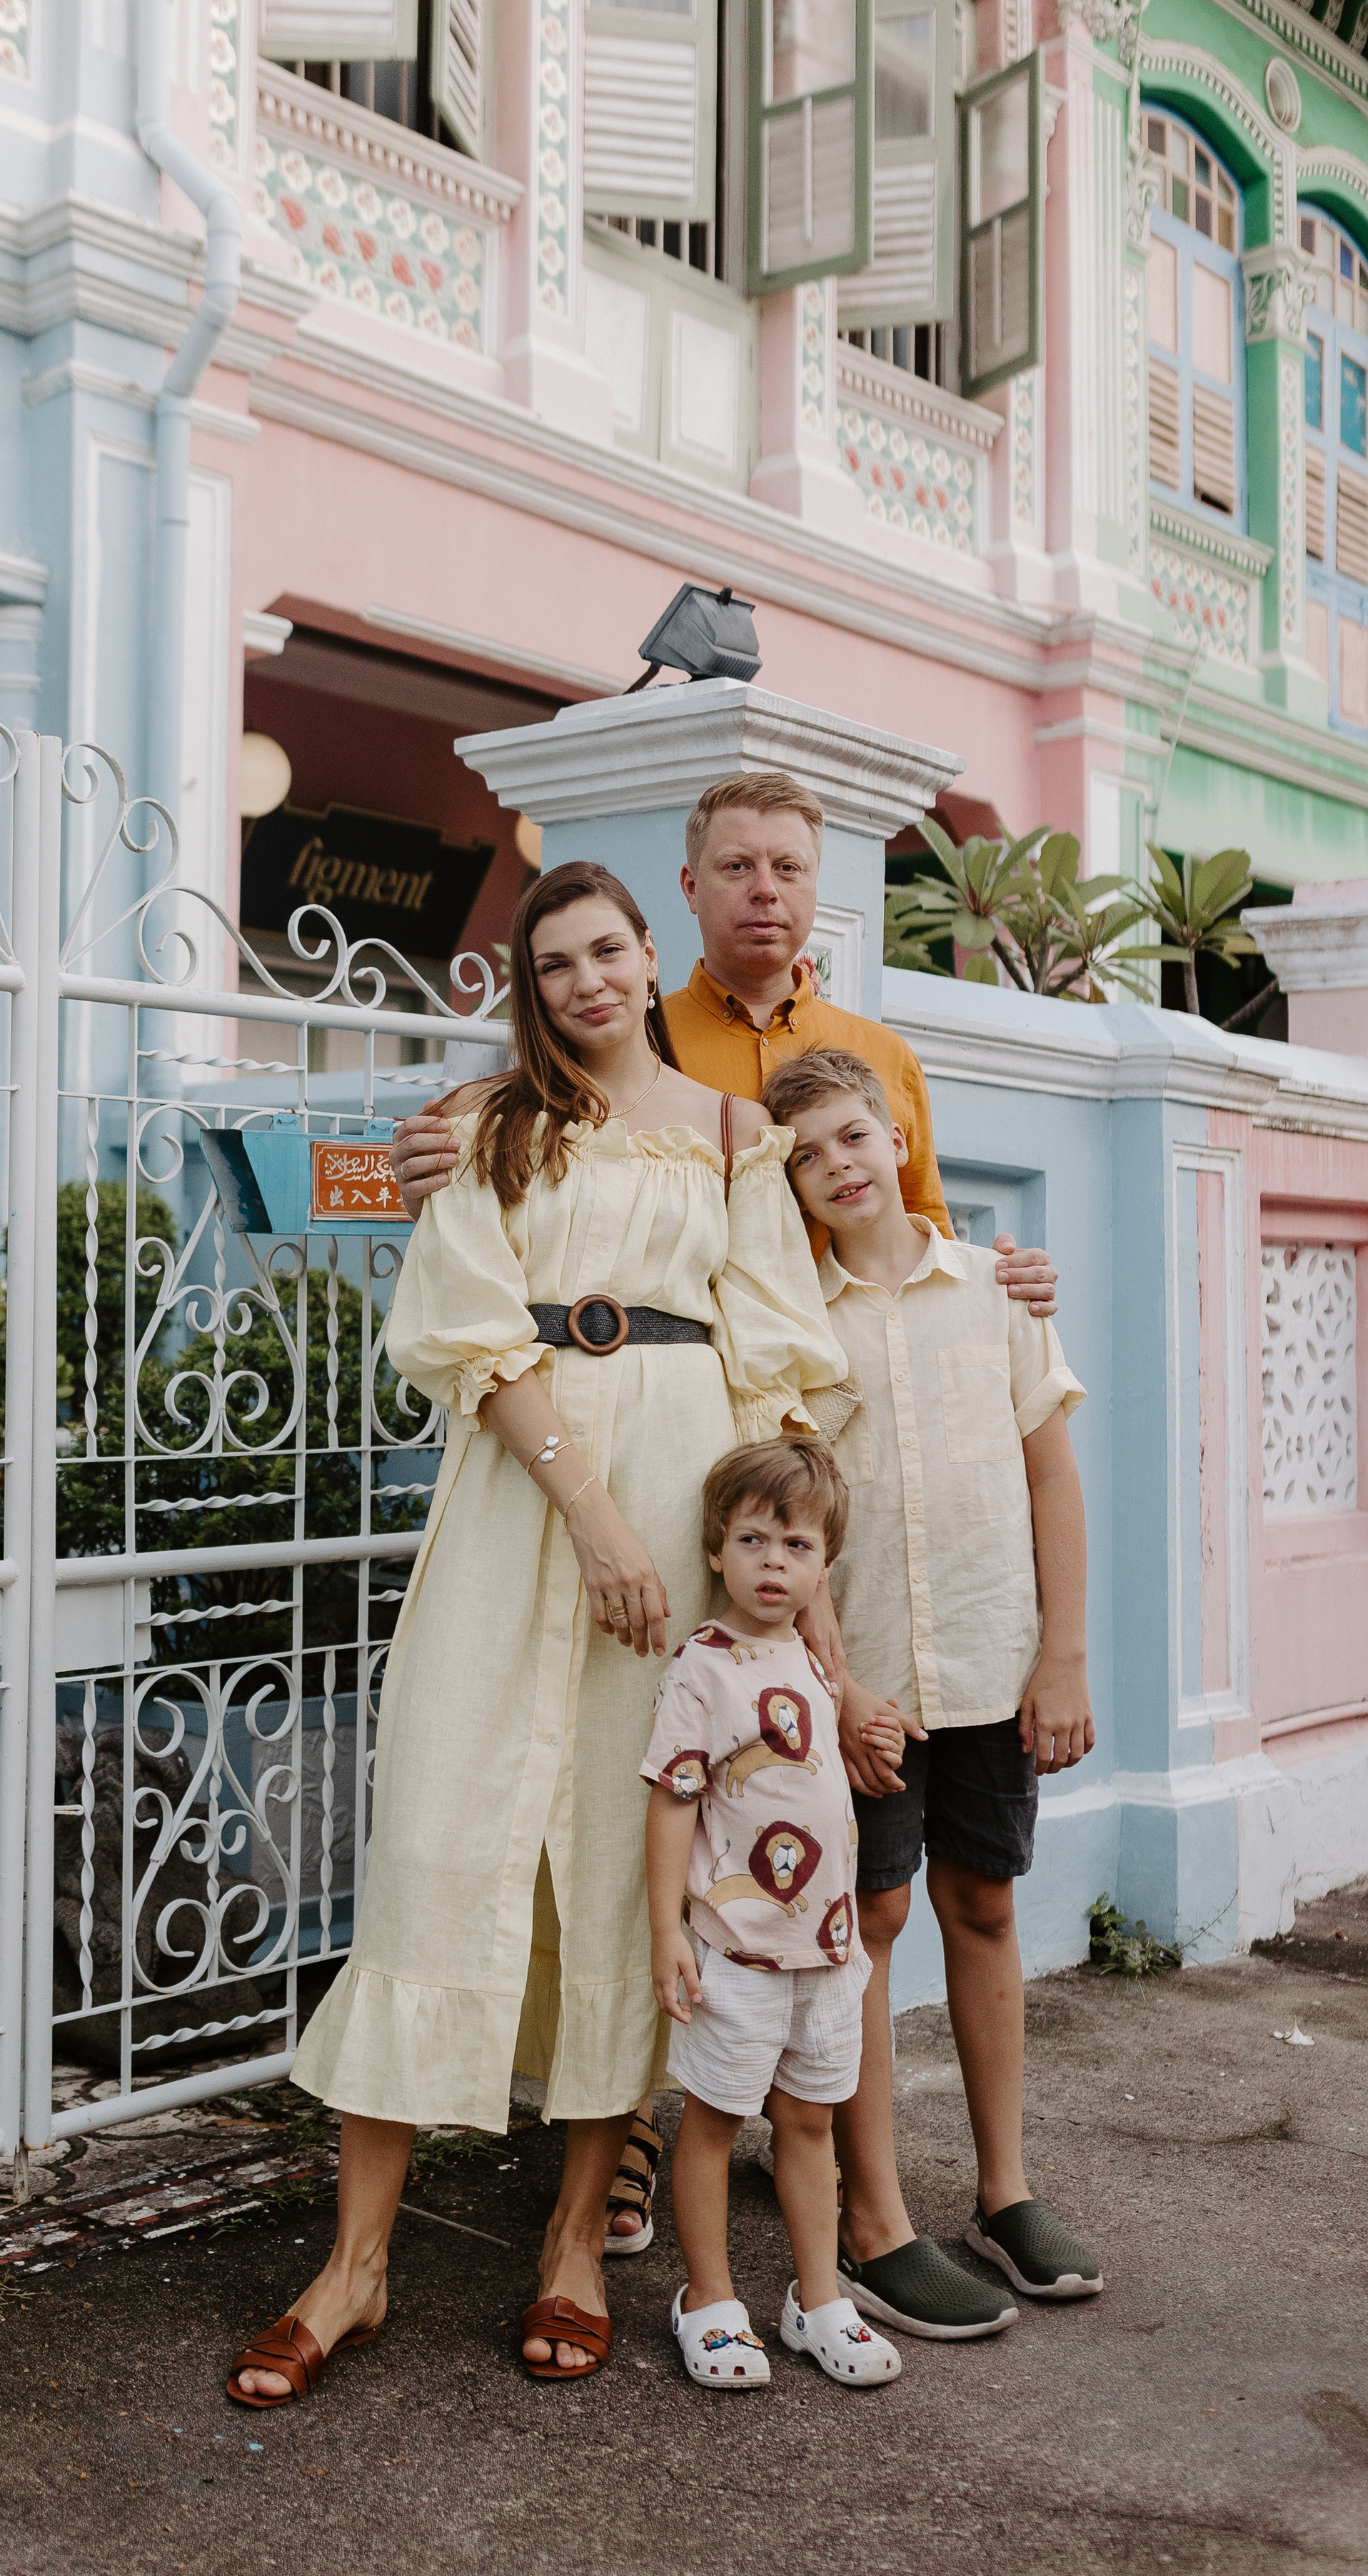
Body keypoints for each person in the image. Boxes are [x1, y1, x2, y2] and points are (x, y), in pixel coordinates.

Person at [389, 768, 1062, 2246]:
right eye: (734, 866)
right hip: (677, 1485)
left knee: (818, 1841)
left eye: (786, 866)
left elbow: (914, 1234)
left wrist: (1016, 1279)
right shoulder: (624, 1033)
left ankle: (845, 2159)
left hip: (841, 1492)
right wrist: (421, 1147)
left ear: (815, 886)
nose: (763, 888)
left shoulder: (872, 1054)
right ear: (681, 892)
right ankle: (632, 2135)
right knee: (644, 1792)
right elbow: (485, 1176)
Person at [223, 860, 845, 2408]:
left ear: (653, 960)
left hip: (681, 1496)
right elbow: (464, 1325)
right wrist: (596, 1519)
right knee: (437, 1833)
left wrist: (796, 1622)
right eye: (554, 959)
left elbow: (776, 1369)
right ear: (530, 982)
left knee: (621, 1845)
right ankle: (354, 2266)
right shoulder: (488, 1125)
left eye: (608, 951)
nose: (586, 980)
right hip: (530, 1503)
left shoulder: (729, 1133)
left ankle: (574, 2241)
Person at [763, 1047, 1103, 2340]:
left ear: (897, 1131)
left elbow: (1052, 1481)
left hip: (990, 1652)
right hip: (875, 1687)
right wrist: (838, 1686)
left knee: (984, 1899)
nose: (842, 1164)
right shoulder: (798, 1319)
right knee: (874, 1914)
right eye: (809, 1154)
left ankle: (1004, 2192)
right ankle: (875, 2215)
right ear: (790, 1183)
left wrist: (1062, 1656)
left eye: (855, 1135)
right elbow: (798, 1523)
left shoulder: (999, 1293)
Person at [645, 1438, 905, 2394]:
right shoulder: (703, 1671)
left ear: (823, 1567)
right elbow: (672, 1798)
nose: (773, 1564)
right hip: (739, 1959)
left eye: (796, 1547)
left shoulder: (814, 1658)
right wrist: (669, 1930)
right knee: (714, 2124)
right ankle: (710, 2301)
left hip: (828, 1959)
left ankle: (818, 2298)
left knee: (809, 2126)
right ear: (717, 1550)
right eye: (753, 1541)